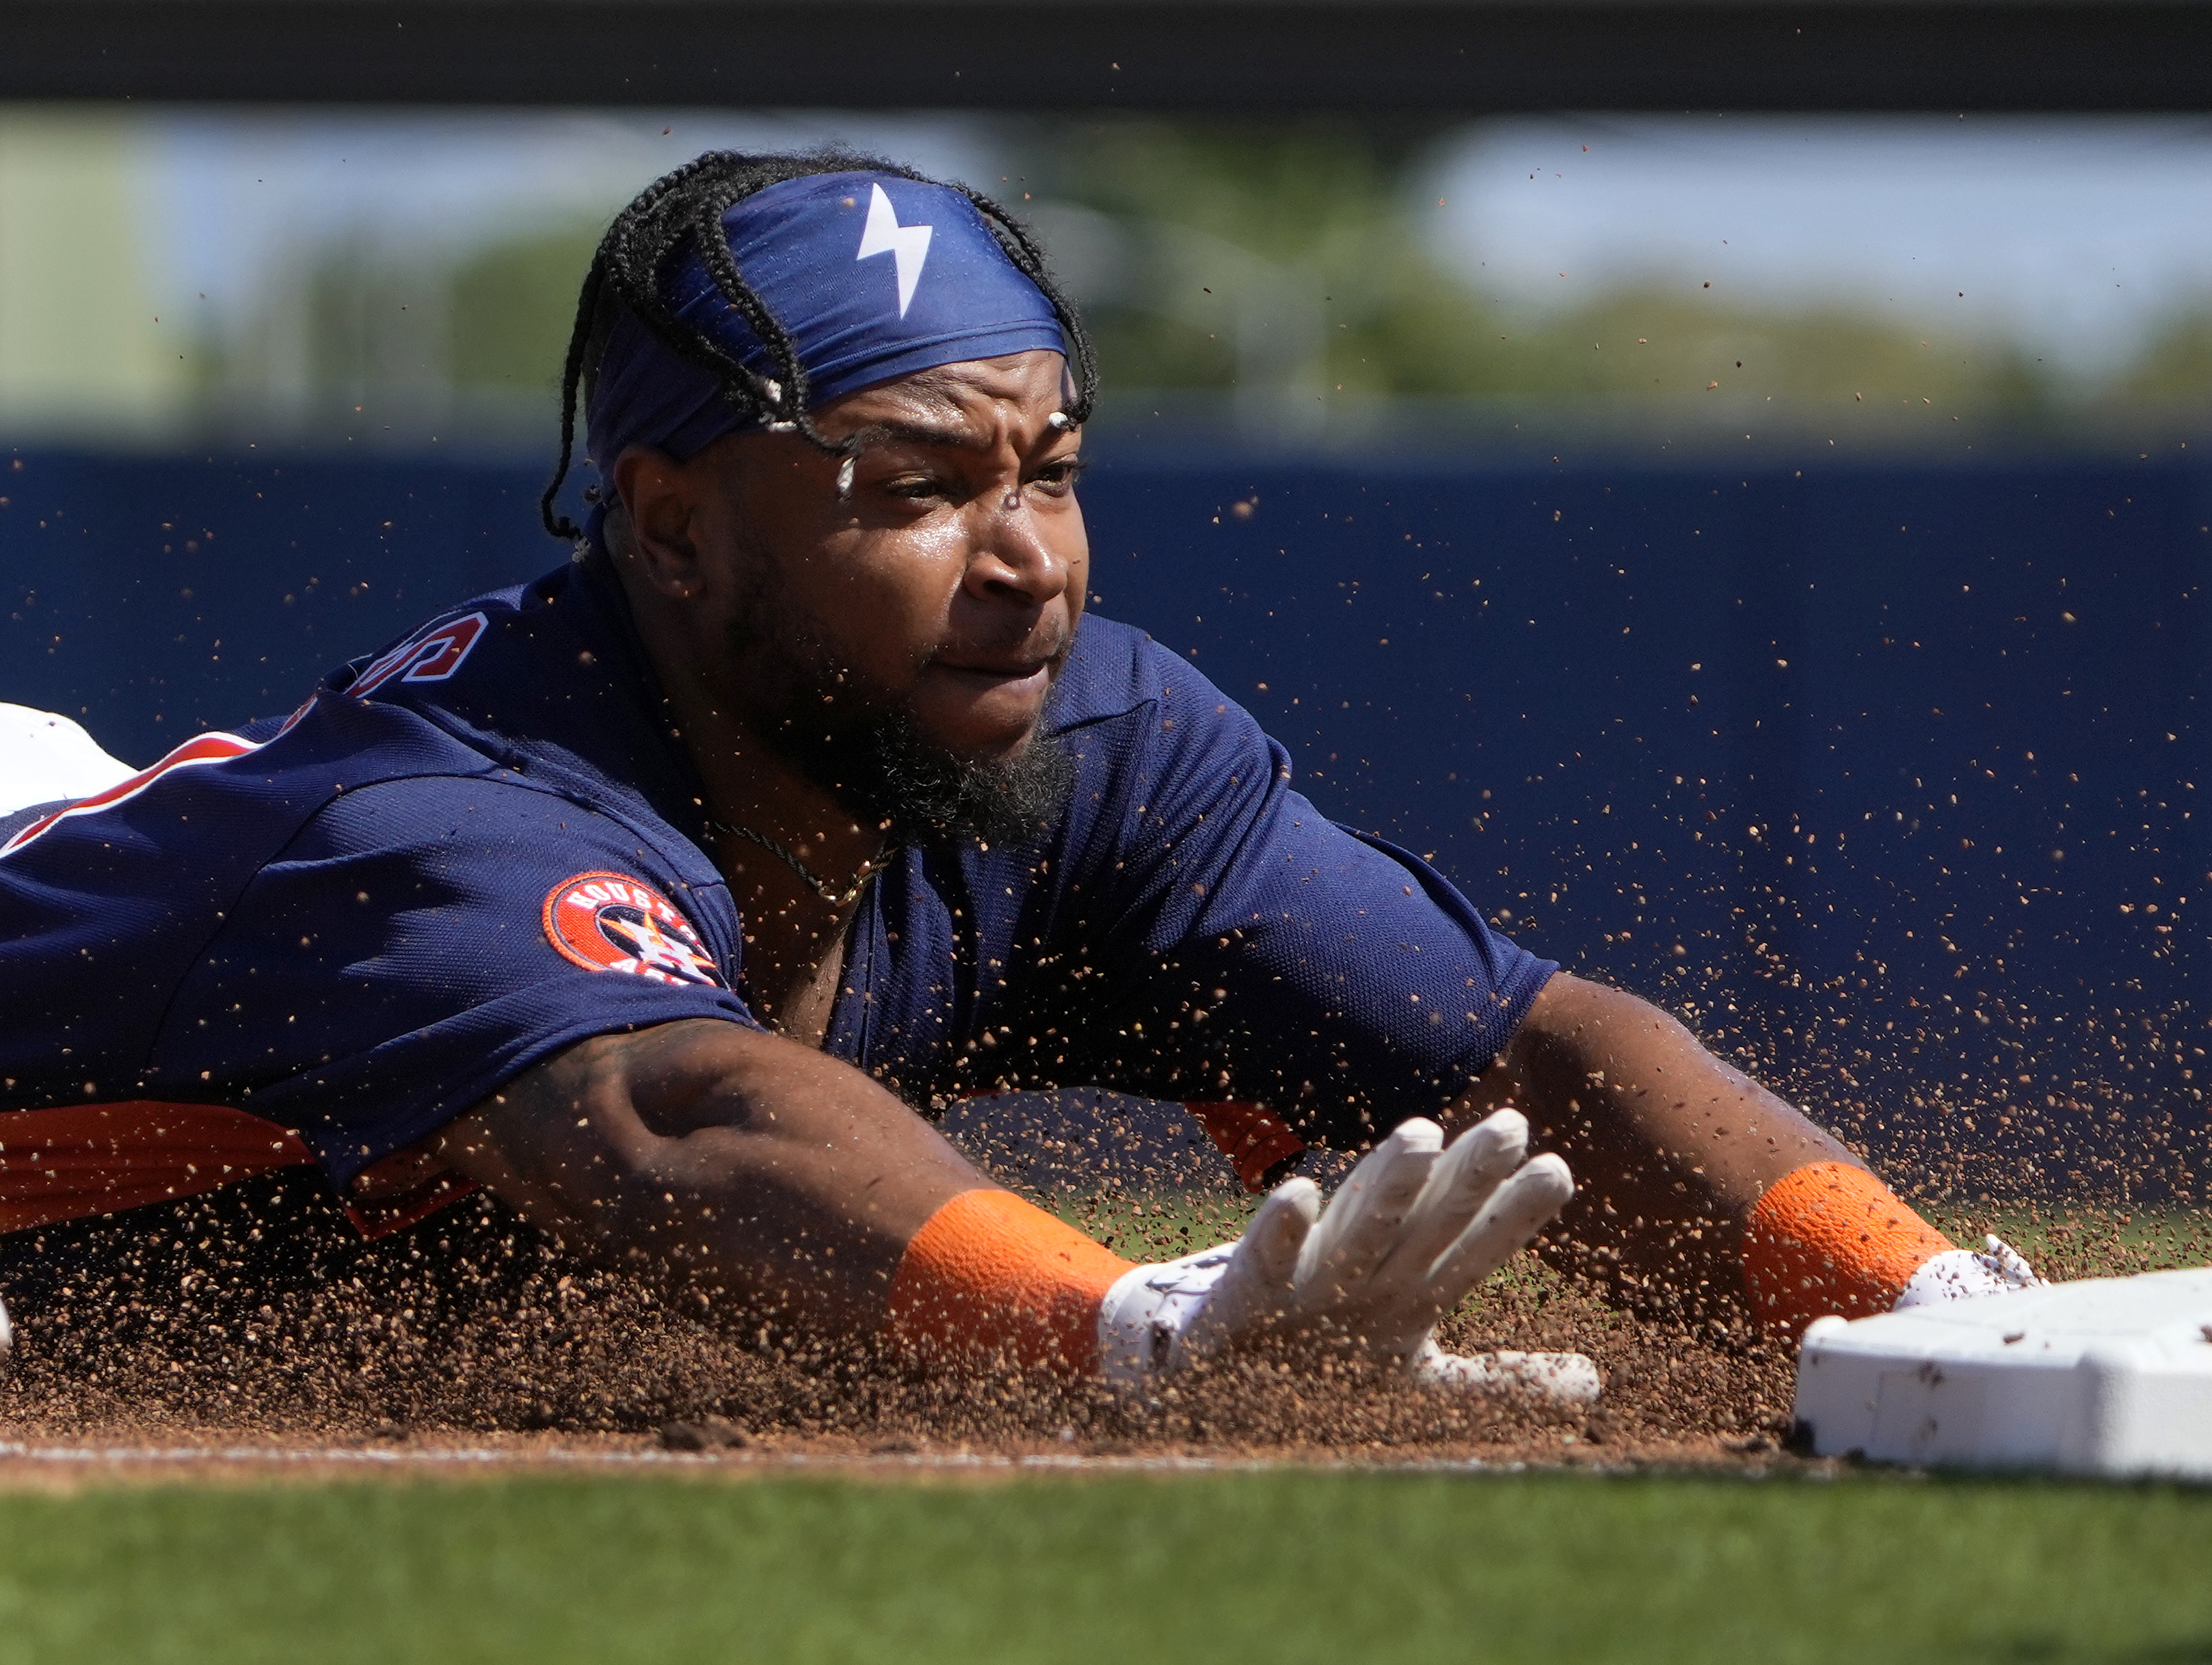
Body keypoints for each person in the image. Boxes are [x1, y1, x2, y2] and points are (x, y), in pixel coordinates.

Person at [0, 149, 2034, 1400]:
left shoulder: (1095, 754)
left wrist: (1930, 1302)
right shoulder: (460, 815)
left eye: (1048, 469)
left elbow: (1520, 1051)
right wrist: (1132, 1333)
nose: (1029, 557)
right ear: (676, 527)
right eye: (918, 486)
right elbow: (677, 1113)